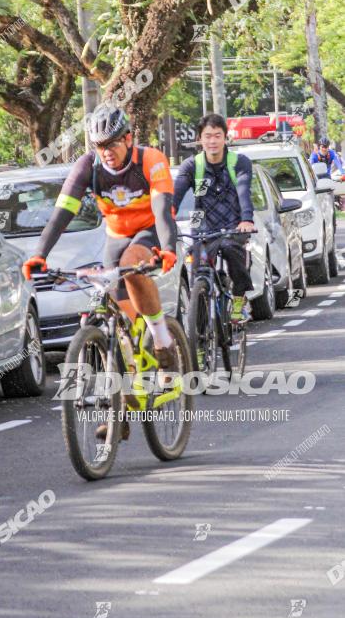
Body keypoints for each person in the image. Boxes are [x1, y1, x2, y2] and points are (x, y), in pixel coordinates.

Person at [22, 107, 179, 439]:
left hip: (149, 231)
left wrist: (168, 247)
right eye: (98, 144)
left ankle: (164, 343)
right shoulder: (87, 166)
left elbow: (163, 209)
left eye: (111, 143)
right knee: (119, 330)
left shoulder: (150, 160)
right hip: (115, 237)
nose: (105, 150)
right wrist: (39, 254)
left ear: (128, 138)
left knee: (132, 269)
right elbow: (62, 213)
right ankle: (121, 407)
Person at [173, 113, 255, 323]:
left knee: (233, 253)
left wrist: (246, 219)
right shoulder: (191, 165)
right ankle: (199, 335)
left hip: (233, 223)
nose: (212, 141)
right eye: (207, 136)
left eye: (217, 135)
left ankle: (239, 301)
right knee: (199, 273)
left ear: (225, 137)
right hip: (202, 224)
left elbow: (244, 192)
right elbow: (175, 197)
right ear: (200, 139)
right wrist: (167, 219)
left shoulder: (240, 162)